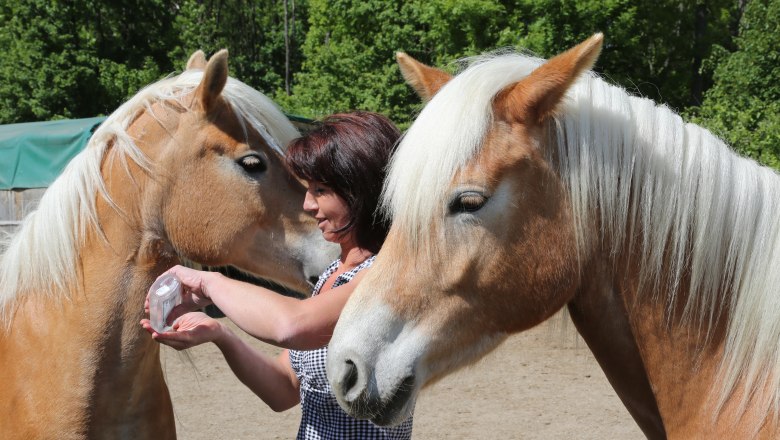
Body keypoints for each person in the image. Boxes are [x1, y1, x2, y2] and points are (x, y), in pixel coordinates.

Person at [140, 111, 413, 439]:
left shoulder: (388, 276)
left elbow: (292, 325)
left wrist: (210, 282)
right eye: (308, 188)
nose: (308, 205)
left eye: (321, 190)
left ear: (361, 190)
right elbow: (284, 389)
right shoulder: (332, 274)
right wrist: (218, 334)